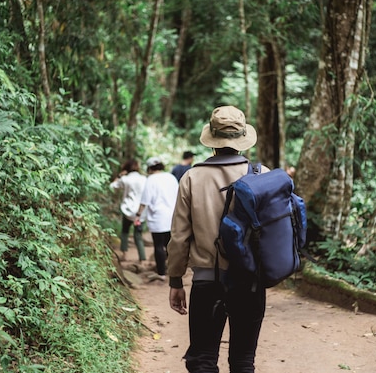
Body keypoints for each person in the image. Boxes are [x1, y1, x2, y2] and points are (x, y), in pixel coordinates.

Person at [167, 105, 269, 372]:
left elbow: (179, 236)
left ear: (211, 139)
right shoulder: (263, 175)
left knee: (202, 360)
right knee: (243, 361)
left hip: (208, 281)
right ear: (243, 138)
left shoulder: (192, 177)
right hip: (250, 282)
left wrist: (176, 280)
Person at [134, 157, 179, 281]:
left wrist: (138, 215)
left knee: (159, 246)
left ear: (149, 168)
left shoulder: (151, 180)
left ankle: (161, 273)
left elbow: (145, 201)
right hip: (172, 216)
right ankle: (174, 270)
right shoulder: (171, 178)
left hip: (157, 217)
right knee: (170, 245)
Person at [109, 159, 147, 263]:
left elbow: (112, 186)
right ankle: (142, 259)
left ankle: (124, 254)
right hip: (140, 212)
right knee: (138, 235)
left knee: (125, 232)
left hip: (128, 210)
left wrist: (120, 175)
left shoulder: (125, 179)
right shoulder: (144, 179)